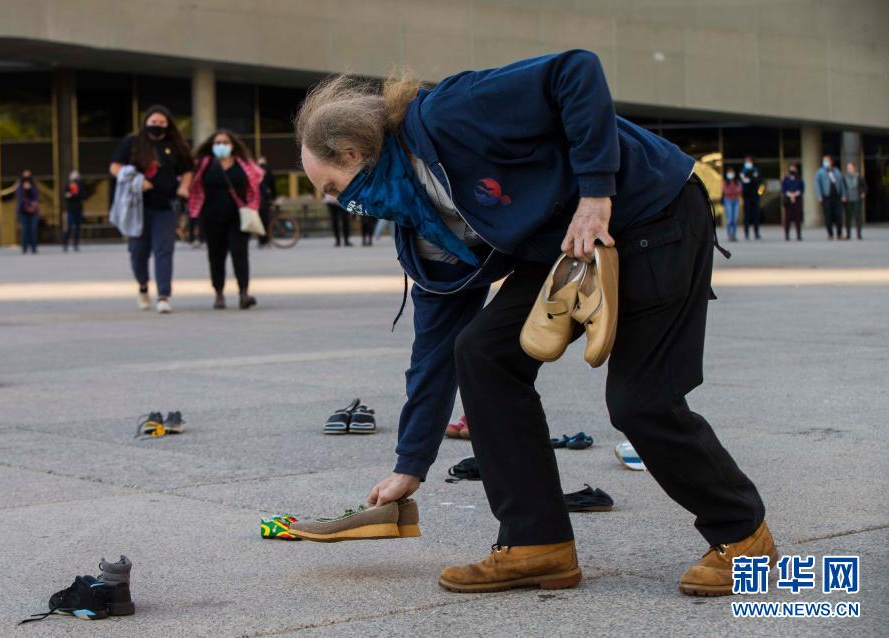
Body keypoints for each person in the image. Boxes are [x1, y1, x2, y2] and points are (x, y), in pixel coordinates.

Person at [296, 50, 770, 597]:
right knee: (481, 353)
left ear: (353, 151)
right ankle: (536, 543)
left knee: (640, 402)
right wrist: (411, 464)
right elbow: (434, 350)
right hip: (565, 247)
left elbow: (577, 71)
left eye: (333, 188)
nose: (337, 202)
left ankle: (742, 535)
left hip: (650, 210)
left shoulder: (450, 114)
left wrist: (595, 194)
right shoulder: (424, 231)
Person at [109, 105, 194, 313]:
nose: (157, 126)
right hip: (137, 207)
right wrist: (136, 180)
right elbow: (115, 167)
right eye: (154, 122)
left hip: (166, 206)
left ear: (168, 124)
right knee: (138, 252)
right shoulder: (133, 143)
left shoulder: (175, 145)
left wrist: (184, 187)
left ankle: (163, 296)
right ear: (146, 122)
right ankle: (143, 286)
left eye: (162, 122)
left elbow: (188, 169)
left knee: (164, 250)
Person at [187, 129, 263, 310]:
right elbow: (191, 183)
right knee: (216, 256)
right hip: (211, 218)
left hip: (238, 218)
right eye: (217, 143)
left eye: (225, 142)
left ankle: (243, 293)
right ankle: (219, 294)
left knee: (240, 254)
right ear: (212, 145)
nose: (221, 146)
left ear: (233, 145)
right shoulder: (204, 164)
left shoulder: (244, 164)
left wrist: (253, 206)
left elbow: (255, 185)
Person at [814, 155, 844, 240]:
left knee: (839, 215)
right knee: (828, 216)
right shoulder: (820, 172)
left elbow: (842, 184)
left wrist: (844, 195)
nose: (826, 162)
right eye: (824, 161)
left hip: (837, 197)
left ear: (831, 162)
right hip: (826, 197)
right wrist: (819, 195)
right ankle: (830, 234)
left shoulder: (837, 171)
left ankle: (839, 234)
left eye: (827, 161)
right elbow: (817, 185)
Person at [16, 170, 40, 254]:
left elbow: (36, 196)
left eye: (28, 176)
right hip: (23, 211)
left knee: (33, 229)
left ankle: (34, 248)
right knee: (25, 229)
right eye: (25, 177)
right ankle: (24, 248)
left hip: (34, 211)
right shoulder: (19, 186)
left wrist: (30, 189)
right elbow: (20, 198)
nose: (27, 179)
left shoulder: (34, 186)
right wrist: (28, 205)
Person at [841, 161, 866, 240]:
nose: (849, 169)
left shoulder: (859, 177)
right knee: (848, 218)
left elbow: (864, 186)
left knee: (858, 217)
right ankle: (848, 234)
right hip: (848, 200)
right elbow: (842, 188)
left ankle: (859, 234)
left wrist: (863, 192)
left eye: (851, 167)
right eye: (848, 168)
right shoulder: (844, 177)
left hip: (857, 199)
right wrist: (843, 196)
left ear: (854, 168)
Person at [62, 170, 86, 251]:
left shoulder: (80, 185)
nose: (75, 178)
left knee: (77, 227)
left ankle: (75, 244)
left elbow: (83, 196)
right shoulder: (67, 185)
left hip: (78, 209)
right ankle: (65, 244)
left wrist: (74, 194)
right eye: (74, 176)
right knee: (69, 227)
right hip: (70, 210)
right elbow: (65, 196)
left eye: (76, 176)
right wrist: (71, 194)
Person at [739, 155, 761, 240]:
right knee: (747, 215)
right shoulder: (743, 170)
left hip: (755, 196)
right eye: (747, 161)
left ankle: (756, 233)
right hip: (746, 196)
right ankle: (746, 233)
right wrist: (751, 178)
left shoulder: (756, 169)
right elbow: (743, 181)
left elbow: (757, 180)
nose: (748, 163)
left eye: (749, 161)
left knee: (756, 215)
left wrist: (749, 179)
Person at [257, 156, 277, 248]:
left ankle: (267, 239)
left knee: (267, 221)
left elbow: (273, 188)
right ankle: (262, 240)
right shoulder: (256, 175)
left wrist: (273, 200)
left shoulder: (269, 174)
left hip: (266, 202)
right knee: (260, 222)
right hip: (259, 202)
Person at [781, 163, 804, 241]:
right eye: (791, 168)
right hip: (788, 200)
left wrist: (795, 194)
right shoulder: (786, 179)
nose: (793, 169)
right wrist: (790, 195)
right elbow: (783, 189)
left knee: (798, 218)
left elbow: (802, 189)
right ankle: (787, 235)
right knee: (787, 218)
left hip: (797, 199)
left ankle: (799, 235)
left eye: (794, 168)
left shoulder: (799, 178)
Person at [720, 169, 741, 242]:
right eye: (729, 173)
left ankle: (734, 235)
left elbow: (740, 190)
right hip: (728, 201)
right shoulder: (725, 182)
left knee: (734, 219)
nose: (730, 174)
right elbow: (725, 191)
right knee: (729, 219)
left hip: (736, 201)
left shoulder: (737, 182)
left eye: (732, 173)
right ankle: (729, 235)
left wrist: (733, 190)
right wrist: (734, 190)